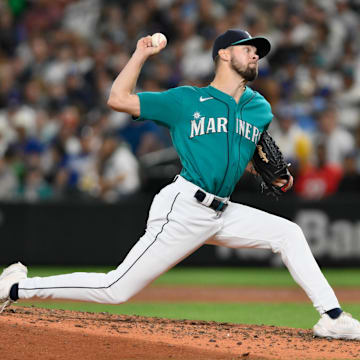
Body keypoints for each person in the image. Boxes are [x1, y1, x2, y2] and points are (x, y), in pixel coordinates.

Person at [1, 29, 359, 340]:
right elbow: (117, 99)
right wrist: (140, 54)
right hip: (184, 208)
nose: (255, 54)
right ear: (223, 53)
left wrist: (272, 173)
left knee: (290, 234)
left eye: (258, 50)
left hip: (224, 210)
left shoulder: (259, 108)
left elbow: (246, 156)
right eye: (248, 47)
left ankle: (333, 318)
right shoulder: (186, 100)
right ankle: (16, 287)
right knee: (116, 289)